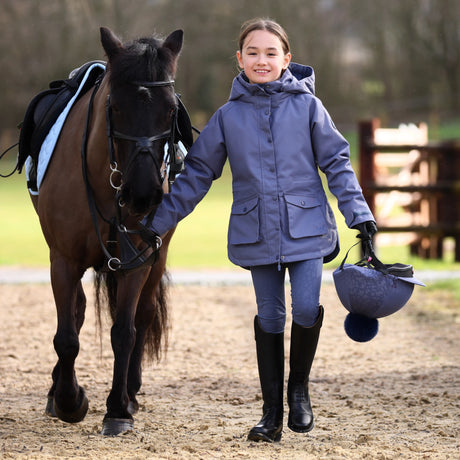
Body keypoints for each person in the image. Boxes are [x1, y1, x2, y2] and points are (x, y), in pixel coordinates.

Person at [140, 18, 377, 443]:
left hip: (306, 227)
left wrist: (359, 214)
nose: (261, 60)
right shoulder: (227, 117)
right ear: (240, 60)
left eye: (271, 53)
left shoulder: (308, 108)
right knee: (270, 316)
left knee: (305, 309)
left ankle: (298, 391)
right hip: (256, 232)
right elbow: (195, 175)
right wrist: (156, 224)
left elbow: (337, 162)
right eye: (253, 53)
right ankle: (271, 414)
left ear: (287, 59)